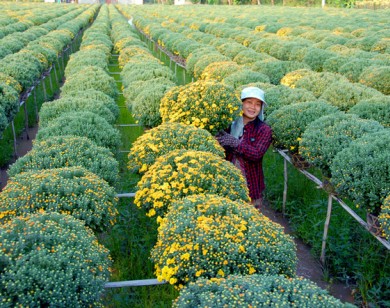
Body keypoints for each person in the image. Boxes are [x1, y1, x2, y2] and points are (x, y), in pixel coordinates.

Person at [216, 86, 272, 209]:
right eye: (249, 102)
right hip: (227, 179)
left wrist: (235, 143)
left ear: (261, 108)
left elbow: (256, 154)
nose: (253, 107)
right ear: (241, 103)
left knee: (249, 217)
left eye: (258, 104)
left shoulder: (264, 130)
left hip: (250, 184)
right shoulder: (229, 123)